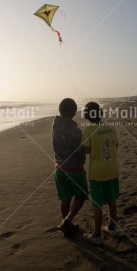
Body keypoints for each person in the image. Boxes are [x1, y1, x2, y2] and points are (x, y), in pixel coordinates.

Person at [82, 102, 119, 245]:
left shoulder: (89, 129)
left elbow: (86, 150)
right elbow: (115, 145)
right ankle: (112, 227)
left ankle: (97, 235)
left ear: (86, 115)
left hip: (97, 173)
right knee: (111, 200)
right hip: (112, 170)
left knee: (97, 204)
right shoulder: (110, 127)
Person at [52, 98, 88, 237]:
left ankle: (67, 223)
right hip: (73, 168)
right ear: (74, 113)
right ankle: (68, 220)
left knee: (65, 197)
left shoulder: (55, 125)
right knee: (81, 196)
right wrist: (83, 158)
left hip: (59, 167)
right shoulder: (75, 131)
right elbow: (77, 150)